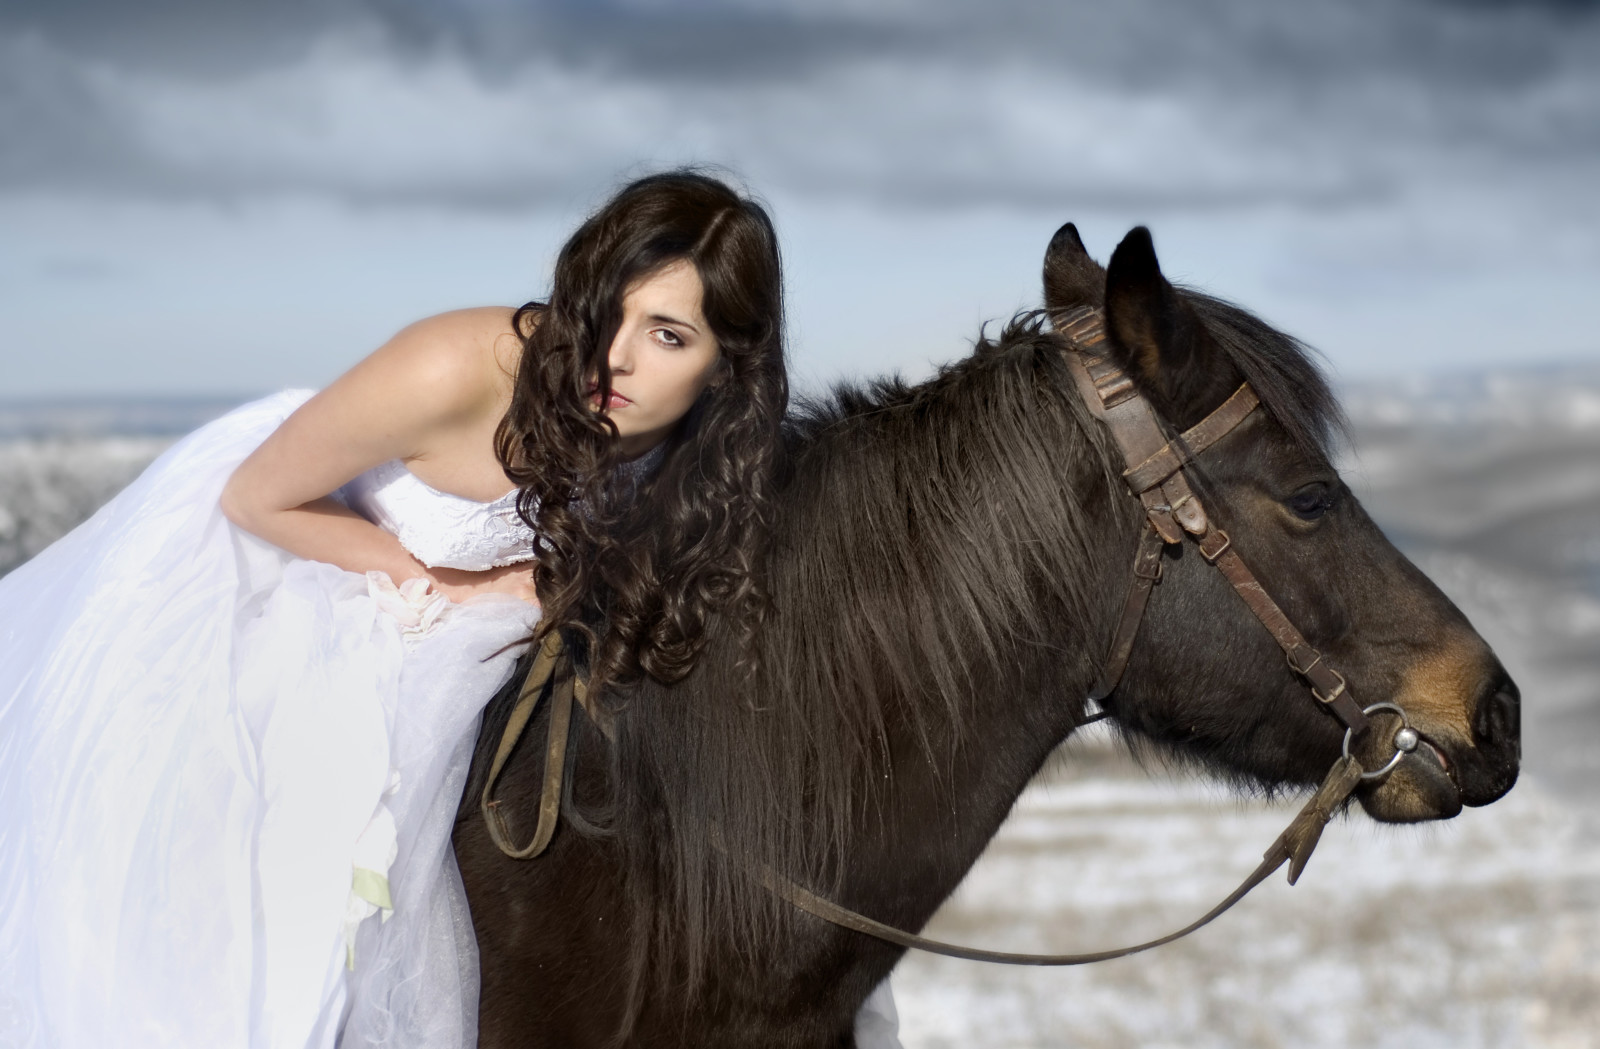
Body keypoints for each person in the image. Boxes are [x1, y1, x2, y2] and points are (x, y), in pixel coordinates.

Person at [0, 170, 899, 1048]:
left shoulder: (708, 453)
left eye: (667, 335)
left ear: (723, 367)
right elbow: (255, 499)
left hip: (460, 597)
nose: (614, 357)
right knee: (280, 868)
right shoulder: (453, 370)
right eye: (605, 310)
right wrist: (453, 584)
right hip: (297, 556)